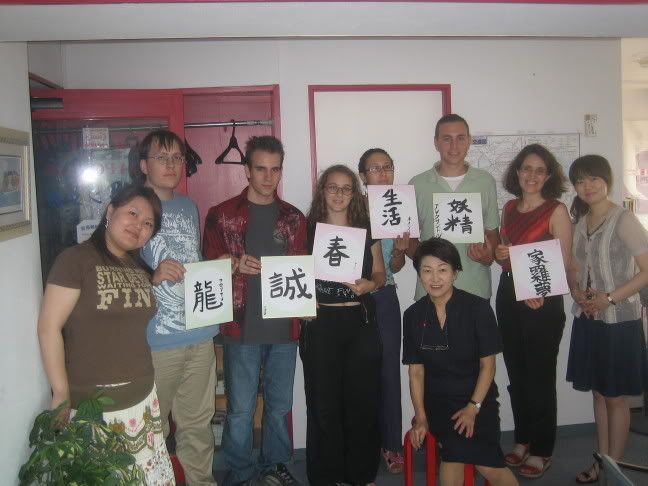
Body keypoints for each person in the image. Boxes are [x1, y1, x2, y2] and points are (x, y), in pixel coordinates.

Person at [37, 184, 176, 485]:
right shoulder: (75, 260)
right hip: (94, 407)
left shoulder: (139, 267)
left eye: (148, 223)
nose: (138, 226)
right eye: (132, 213)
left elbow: (125, 316)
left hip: (142, 400)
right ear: (110, 212)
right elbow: (48, 327)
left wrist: (154, 279)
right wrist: (60, 393)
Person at [203, 135, 307, 486]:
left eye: (275, 170)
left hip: (284, 328)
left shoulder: (294, 218)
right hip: (241, 326)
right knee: (240, 410)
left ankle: (275, 465)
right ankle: (241, 471)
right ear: (247, 170)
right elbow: (206, 265)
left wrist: (306, 304)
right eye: (260, 169)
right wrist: (233, 263)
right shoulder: (222, 215)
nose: (268, 177)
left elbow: (301, 269)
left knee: (279, 407)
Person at [133, 130, 219, 486]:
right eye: (161, 157)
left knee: (198, 426)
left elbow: (192, 262)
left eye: (177, 158)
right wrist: (150, 277)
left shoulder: (188, 205)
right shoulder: (132, 209)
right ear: (143, 165)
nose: (171, 165)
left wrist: (219, 268)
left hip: (199, 334)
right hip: (156, 340)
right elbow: (114, 269)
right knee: (151, 431)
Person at [404, 238, 519, 486]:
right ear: (420, 275)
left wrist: (472, 407)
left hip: (478, 399)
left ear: (455, 272)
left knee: (486, 465)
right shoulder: (412, 315)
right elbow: (416, 373)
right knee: (456, 449)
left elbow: (488, 366)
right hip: (438, 403)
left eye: (442, 270)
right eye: (427, 270)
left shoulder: (477, 309)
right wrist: (421, 416)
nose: (435, 278)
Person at [565, 155, 648, 484]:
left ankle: (615, 467)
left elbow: (646, 271)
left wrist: (609, 297)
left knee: (615, 397)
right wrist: (577, 292)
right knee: (598, 393)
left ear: (607, 180)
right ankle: (602, 461)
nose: (587, 186)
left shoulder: (624, 220)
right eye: (580, 181)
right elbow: (574, 267)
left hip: (619, 320)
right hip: (589, 318)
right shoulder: (580, 222)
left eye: (593, 178)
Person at [301, 164, 385, 486]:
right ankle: (327, 475)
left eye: (346, 188)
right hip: (320, 323)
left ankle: (360, 474)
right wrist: (300, 304)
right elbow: (293, 273)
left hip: (358, 322)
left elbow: (380, 274)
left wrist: (370, 285)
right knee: (323, 403)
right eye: (332, 187)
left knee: (362, 401)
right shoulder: (307, 229)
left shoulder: (365, 228)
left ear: (354, 193)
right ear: (322, 191)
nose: (338, 194)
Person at [494, 144, 572, 479]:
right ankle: (523, 438)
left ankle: (542, 449)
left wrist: (538, 290)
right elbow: (506, 255)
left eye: (540, 170)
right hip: (509, 293)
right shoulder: (509, 207)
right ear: (517, 171)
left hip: (543, 298)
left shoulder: (557, 210)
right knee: (517, 374)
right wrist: (500, 254)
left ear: (549, 176)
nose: (532, 175)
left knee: (539, 376)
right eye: (527, 168)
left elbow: (563, 262)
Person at [408, 114, 500, 301]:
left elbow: (492, 234)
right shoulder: (417, 184)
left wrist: (486, 256)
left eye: (460, 138)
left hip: (475, 289)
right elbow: (410, 241)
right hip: (431, 290)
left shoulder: (485, 181)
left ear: (469, 141)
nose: (454, 146)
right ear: (436, 143)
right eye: (446, 139)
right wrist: (425, 258)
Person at [358, 148, 405, 473]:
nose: (383, 173)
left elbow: (395, 266)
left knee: (389, 373)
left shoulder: (397, 207)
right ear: (363, 176)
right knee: (358, 373)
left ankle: (391, 444)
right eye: (375, 169)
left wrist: (400, 251)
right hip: (354, 299)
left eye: (387, 167)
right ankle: (363, 442)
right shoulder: (350, 206)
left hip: (385, 297)